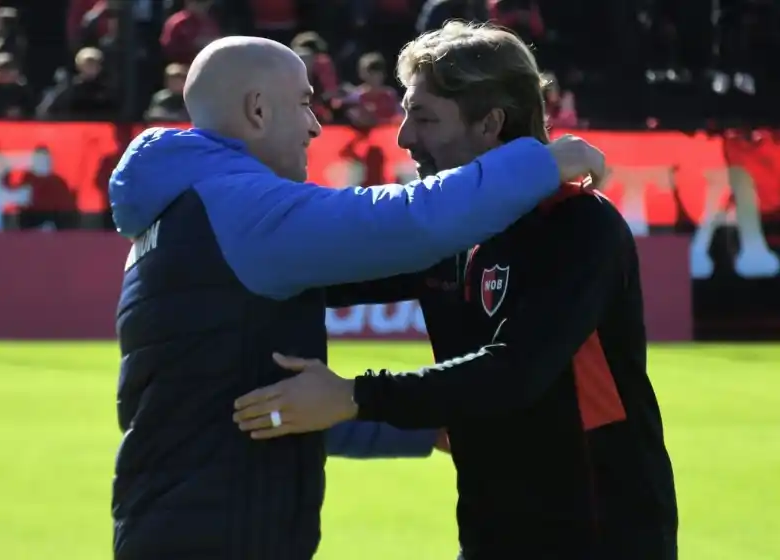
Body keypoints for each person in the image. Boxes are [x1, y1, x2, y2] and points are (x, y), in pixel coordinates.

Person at [110, 35, 606, 560]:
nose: (315, 125)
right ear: (257, 110)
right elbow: (410, 221)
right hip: (220, 535)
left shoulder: (180, 214)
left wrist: (412, 429)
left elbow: (269, 409)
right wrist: (540, 164)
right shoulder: (240, 209)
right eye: (303, 102)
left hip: (183, 523)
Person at [233, 23, 678, 560]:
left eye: (423, 117)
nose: (403, 138)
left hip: (598, 531)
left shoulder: (578, 223)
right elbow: (323, 270)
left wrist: (353, 396)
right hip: (491, 528)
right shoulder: (446, 231)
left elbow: (515, 373)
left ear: (491, 124)